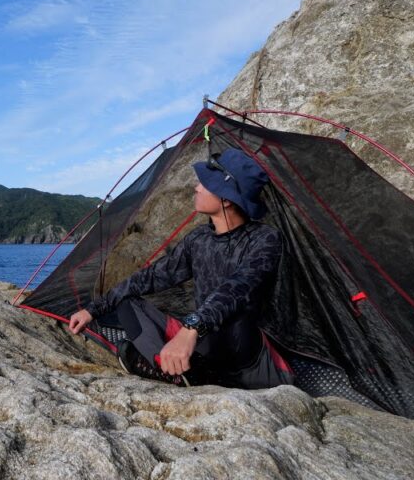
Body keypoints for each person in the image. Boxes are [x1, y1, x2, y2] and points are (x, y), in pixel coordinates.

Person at [68, 147, 293, 388]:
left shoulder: (265, 239)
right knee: (127, 302)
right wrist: (93, 310)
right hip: (203, 340)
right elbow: (152, 277)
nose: (196, 187)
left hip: (242, 351)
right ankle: (171, 369)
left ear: (226, 200)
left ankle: (173, 365)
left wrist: (191, 327)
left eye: (206, 184)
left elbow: (238, 287)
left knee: (233, 316)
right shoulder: (199, 238)